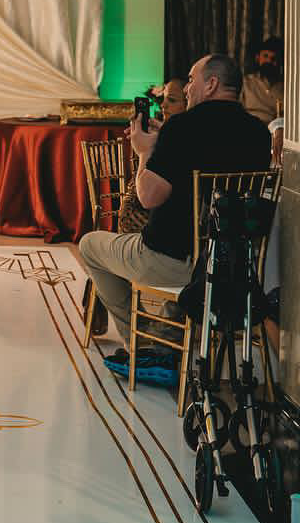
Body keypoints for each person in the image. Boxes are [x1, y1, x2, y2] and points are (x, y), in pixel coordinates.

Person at [78, 54, 273, 375]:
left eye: (192, 80)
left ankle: (143, 349)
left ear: (211, 84)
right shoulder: (258, 133)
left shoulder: (182, 127)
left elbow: (148, 197)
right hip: (232, 265)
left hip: (174, 262)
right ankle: (167, 334)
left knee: (89, 245)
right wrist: (163, 142)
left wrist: (145, 153)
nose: (188, 89)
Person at [115, 78, 186, 235]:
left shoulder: (183, 143)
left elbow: (147, 199)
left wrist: (147, 150)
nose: (163, 105)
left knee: (87, 243)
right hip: (133, 223)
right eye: (163, 99)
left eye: (172, 100)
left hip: (153, 230)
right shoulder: (163, 135)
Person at [240, 36, 282, 125]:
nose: (269, 61)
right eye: (265, 56)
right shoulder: (246, 83)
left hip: (276, 131)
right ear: (257, 58)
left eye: (273, 58)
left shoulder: (286, 87)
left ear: (279, 62)